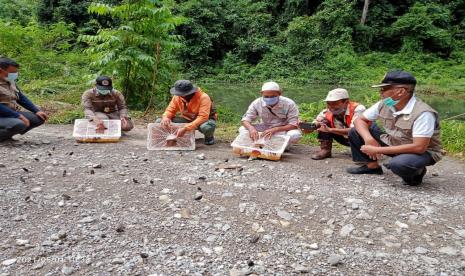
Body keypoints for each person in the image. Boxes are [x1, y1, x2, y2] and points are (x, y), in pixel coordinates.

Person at [346, 70, 443, 186]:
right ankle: (372, 167)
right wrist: (368, 139)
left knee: (399, 165)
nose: (380, 92)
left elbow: (419, 147)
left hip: (422, 152)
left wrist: (377, 150)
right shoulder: (385, 104)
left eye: (384, 89)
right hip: (395, 142)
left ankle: (417, 172)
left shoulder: (423, 113)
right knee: (355, 131)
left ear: (401, 91)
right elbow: (359, 120)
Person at [302, 88, 366, 160]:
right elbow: (313, 126)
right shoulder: (326, 112)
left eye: (335, 103)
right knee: (323, 122)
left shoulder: (358, 109)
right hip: (343, 138)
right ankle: (325, 150)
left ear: (346, 102)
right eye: (328, 104)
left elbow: (356, 130)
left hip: (362, 139)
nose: (331, 107)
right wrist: (306, 127)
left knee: (357, 134)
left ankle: (362, 150)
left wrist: (330, 130)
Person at [0, 57, 48, 142]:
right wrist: (18, 116)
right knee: (19, 124)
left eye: (15, 72)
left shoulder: (9, 81)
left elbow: (20, 97)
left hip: (9, 113)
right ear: (1, 70)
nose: (15, 74)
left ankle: (5, 136)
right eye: (12, 72)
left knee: (39, 118)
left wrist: (36, 110)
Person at [159, 80, 217, 145]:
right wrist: (166, 117)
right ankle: (171, 136)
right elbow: (170, 110)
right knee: (160, 121)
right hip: (188, 119)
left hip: (204, 121)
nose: (180, 95)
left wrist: (185, 128)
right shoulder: (177, 97)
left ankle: (209, 136)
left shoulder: (204, 97)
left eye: (182, 94)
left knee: (206, 127)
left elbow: (203, 117)